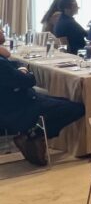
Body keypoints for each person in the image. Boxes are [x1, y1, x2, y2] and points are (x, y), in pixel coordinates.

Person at [0, 32, 85, 166]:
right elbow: (29, 80)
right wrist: (23, 71)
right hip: (18, 108)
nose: (2, 32)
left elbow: (16, 64)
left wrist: (19, 67)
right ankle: (35, 135)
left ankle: (31, 134)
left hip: (15, 102)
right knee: (77, 108)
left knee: (65, 102)